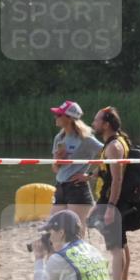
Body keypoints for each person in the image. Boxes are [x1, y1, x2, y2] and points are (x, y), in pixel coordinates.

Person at [88, 107, 140, 280]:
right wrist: (89, 176)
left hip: (113, 200)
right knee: (121, 242)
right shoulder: (114, 142)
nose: (93, 123)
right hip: (112, 199)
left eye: (96, 120)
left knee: (116, 247)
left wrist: (110, 207)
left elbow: (117, 179)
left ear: (106, 124)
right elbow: (107, 171)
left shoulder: (114, 146)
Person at [49, 100, 102, 238]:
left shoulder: (86, 139)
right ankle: (62, 259)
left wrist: (90, 175)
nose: (56, 117)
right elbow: (55, 169)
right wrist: (58, 161)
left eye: (59, 115)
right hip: (60, 187)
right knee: (55, 230)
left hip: (77, 188)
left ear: (70, 118)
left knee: (76, 233)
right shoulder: (59, 138)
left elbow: (109, 156)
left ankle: (80, 258)